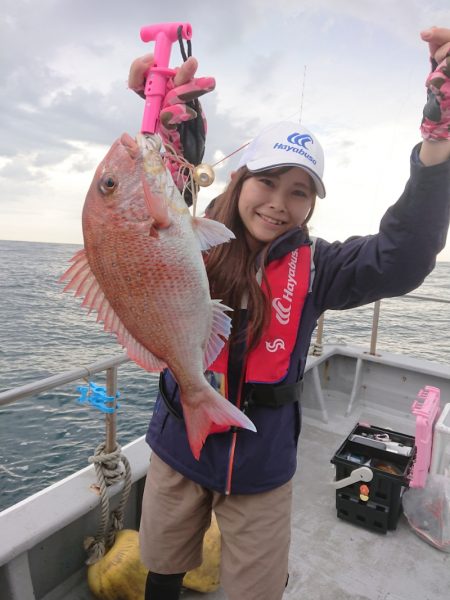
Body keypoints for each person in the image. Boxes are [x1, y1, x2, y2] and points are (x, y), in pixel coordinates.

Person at [128, 27, 450, 600]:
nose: (279, 203)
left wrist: (438, 146)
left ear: (312, 205)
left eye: (299, 192)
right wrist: (167, 140)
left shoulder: (320, 267)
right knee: (162, 567)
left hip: (261, 461)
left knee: (256, 589)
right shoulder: (191, 238)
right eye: (268, 181)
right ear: (239, 177)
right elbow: (143, 217)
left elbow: (402, 257)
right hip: (180, 441)